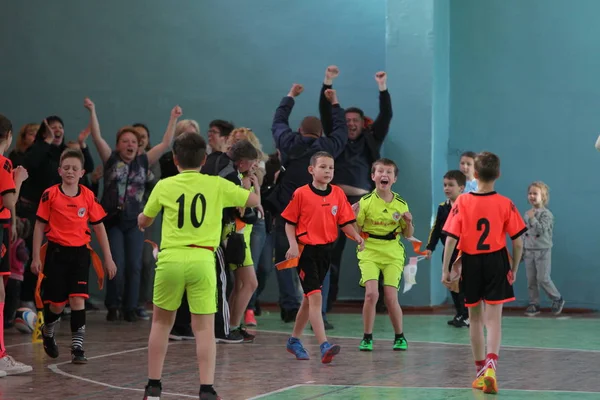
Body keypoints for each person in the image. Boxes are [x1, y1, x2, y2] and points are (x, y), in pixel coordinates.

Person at [138, 132, 259, 400]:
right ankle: (206, 389)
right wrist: (251, 184)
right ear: (205, 159)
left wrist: (142, 220)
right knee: (204, 328)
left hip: (170, 259)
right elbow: (252, 202)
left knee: (160, 323)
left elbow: (145, 220)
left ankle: (154, 387)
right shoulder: (216, 184)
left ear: (174, 158)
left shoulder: (165, 185)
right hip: (203, 260)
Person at [441, 152, 526, 394]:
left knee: (475, 319)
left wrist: (446, 268)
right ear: (498, 175)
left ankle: (480, 372)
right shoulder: (505, 203)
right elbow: (518, 242)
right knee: (494, 320)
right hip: (496, 261)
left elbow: (450, 239)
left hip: (471, 262)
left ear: (474, 174)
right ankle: (491, 367)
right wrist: (514, 268)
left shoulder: (463, 202)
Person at [266, 83, 348, 324]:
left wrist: (290, 96)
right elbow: (342, 131)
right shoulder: (329, 147)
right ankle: (318, 314)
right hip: (318, 219)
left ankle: (290, 307)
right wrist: (335, 103)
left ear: (300, 130)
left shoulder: (288, 143)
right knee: (321, 265)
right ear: (321, 134)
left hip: (287, 214)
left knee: (285, 261)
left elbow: (278, 122)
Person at [319, 66, 393, 313]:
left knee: (377, 251)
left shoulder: (371, 140)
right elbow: (326, 113)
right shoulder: (336, 139)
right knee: (332, 255)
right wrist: (327, 83)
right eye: (347, 121)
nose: (350, 124)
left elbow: (386, 115)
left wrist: (382, 88)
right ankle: (327, 303)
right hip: (338, 203)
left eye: (355, 121)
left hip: (366, 203)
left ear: (363, 124)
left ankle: (381, 300)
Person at [32, 148, 117, 364]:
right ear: (60, 171)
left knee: (78, 300)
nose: (70, 171)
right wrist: (36, 257)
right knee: (58, 304)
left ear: (82, 173)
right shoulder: (49, 194)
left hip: (80, 254)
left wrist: (108, 258)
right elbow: (39, 226)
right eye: (66, 167)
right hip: (56, 254)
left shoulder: (88, 196)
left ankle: (77, 348)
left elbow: (99, 228)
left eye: (75, 168)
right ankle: (48, 330)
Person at [282, 151, 363, 364]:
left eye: (331, 168)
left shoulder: (337, 193)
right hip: (306, 251)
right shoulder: (301, 194)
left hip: (326, 251)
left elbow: (345, 221)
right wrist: (292, 245)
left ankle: (293, 340)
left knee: (309, 299)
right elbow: (289, 222)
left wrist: (356, 236)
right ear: (311, 170)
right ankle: (324, 345)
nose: (327, 171)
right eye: (323, 167)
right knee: (316, 297)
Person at [355, 158, 412, 352]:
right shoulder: (365, 202)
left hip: (393, 253)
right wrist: (353, 217)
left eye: (388, 172)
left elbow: (407, 234)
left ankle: (399, 336)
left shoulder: (401, 204)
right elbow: (356, 230)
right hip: (369, 250)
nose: (384, 175)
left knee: (390, 296)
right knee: (371, 294)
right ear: (373, 176)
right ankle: (367, 337)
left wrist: (409, 223)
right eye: (380, 171)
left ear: (394, 179)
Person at [0, 114, 32, 376]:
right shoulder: (5, 164)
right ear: (9, 136)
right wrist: (18, 179)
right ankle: (0, 356)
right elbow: (9, 203)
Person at [425, 170, 469, 327]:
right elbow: (436, 229)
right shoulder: (442, 207)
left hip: (463, 252)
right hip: (448, 251)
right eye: (445, 185)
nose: (447, 188)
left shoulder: (466, 206)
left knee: (463, 284)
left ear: (461, 188)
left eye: (451, 185)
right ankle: (460, 313)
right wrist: (430, 247)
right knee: (450, 282)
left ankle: (467, 314)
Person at [523, 181, 564, 316]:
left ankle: (557, 298)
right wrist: (523, 249)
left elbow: (541, 230)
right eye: (530, 193)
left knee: (543, 278)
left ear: (543, 196)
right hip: (529, 250)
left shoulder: (547, 214)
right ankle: (534, 303)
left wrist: (533, 218)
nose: (532, 196)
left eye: (535, 193)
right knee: (531, 279)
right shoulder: (527, 214)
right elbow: (525, 232)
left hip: (543, 251)